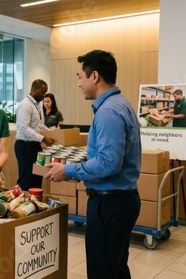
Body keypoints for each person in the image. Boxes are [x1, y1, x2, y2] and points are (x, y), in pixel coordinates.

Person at [44, 50, 141, 279]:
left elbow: (109, 163)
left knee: (103, 271)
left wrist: (67, 170)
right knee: (115, 267)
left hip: (110, 205)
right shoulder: (119, 104)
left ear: (94, 76)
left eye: (80, 76)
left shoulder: (108, 111)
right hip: (120, 202)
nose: (78, 83)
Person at [14, 79, 56, 191]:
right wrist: (43, 138)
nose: (44, 96)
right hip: (25, 146)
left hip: (35, 146)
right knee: (26, 180)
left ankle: (35, 204)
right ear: (34, 90)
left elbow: (39, 125)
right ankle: (22, 206)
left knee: (37, 179)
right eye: (42, 92)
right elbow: (24, 128)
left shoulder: (37, 104)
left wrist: (52, 131)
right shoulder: (25, 105)